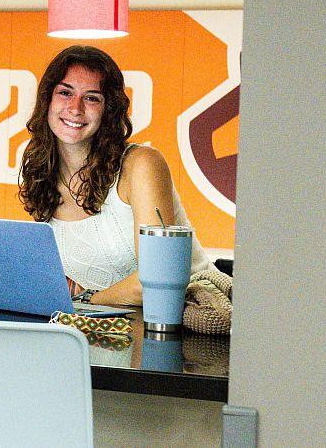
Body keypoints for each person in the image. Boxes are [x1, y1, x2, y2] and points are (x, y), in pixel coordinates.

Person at [18, 45, 214, 307]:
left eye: (91, 98)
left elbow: (156, 282)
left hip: (189, 326)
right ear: (47, 101)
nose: (75, 108)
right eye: (65, 93)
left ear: (108, 109)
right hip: (107, 330)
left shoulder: (141, 164)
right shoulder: (41, 175)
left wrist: (86, 301)